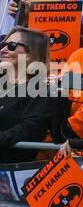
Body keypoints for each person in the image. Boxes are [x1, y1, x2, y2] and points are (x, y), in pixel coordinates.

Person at [0, 28, 57, 163]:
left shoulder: (42, 90)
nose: (3, 50)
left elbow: (31, 128)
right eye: (2, 45)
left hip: (9, 169)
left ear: (31, 54)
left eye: (11, 46)